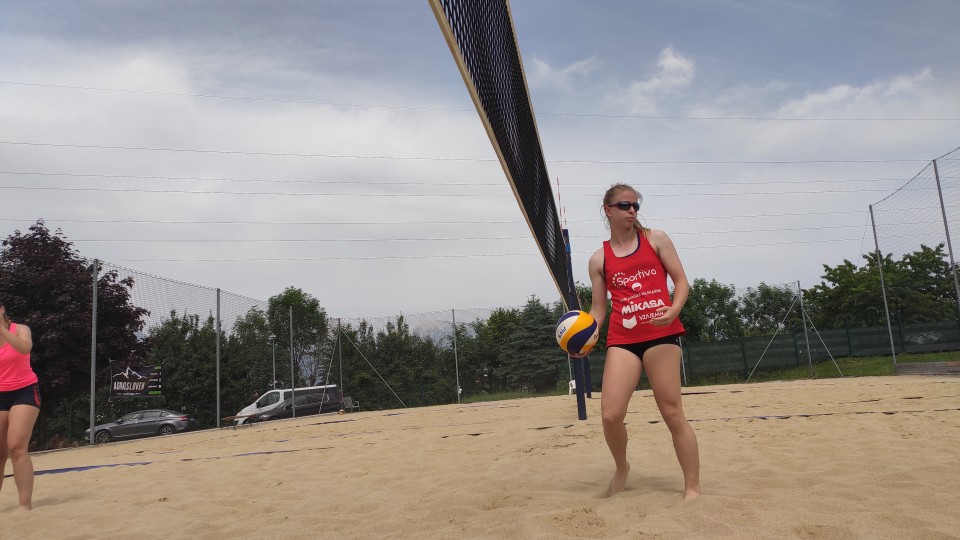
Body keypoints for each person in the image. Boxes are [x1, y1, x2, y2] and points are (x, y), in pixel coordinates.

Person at [582, 183, 701, 500]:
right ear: (608, 210)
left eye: (635, 204)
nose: (632, 210)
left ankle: (692, 487)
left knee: (672, 412)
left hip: (661, 333)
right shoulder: (598, 260)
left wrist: (673, 308)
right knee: (610, 415)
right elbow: (597, 311)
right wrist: (587, 337)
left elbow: (681, 281)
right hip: (623, 339)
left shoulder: (656, 239)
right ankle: (622, 466)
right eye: (624, 205)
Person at [0, 299, 39, 511]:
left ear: (2, 309)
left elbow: (24, 349)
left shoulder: (20, 329)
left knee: (16, 446)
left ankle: (25, 506)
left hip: (24, 390)